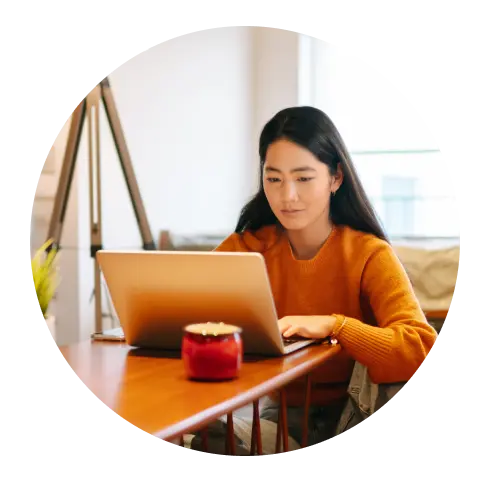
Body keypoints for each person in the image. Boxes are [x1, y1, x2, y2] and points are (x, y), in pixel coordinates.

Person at [212, 105, 438, 450]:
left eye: (303, 178)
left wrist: (336, 326)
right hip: (280, 414)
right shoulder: (247, 247)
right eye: (274, 179)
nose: (287, 196)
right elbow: (183, 311)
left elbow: (417, 348)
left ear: (336, 178)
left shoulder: (368, 252)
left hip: (357, 409)